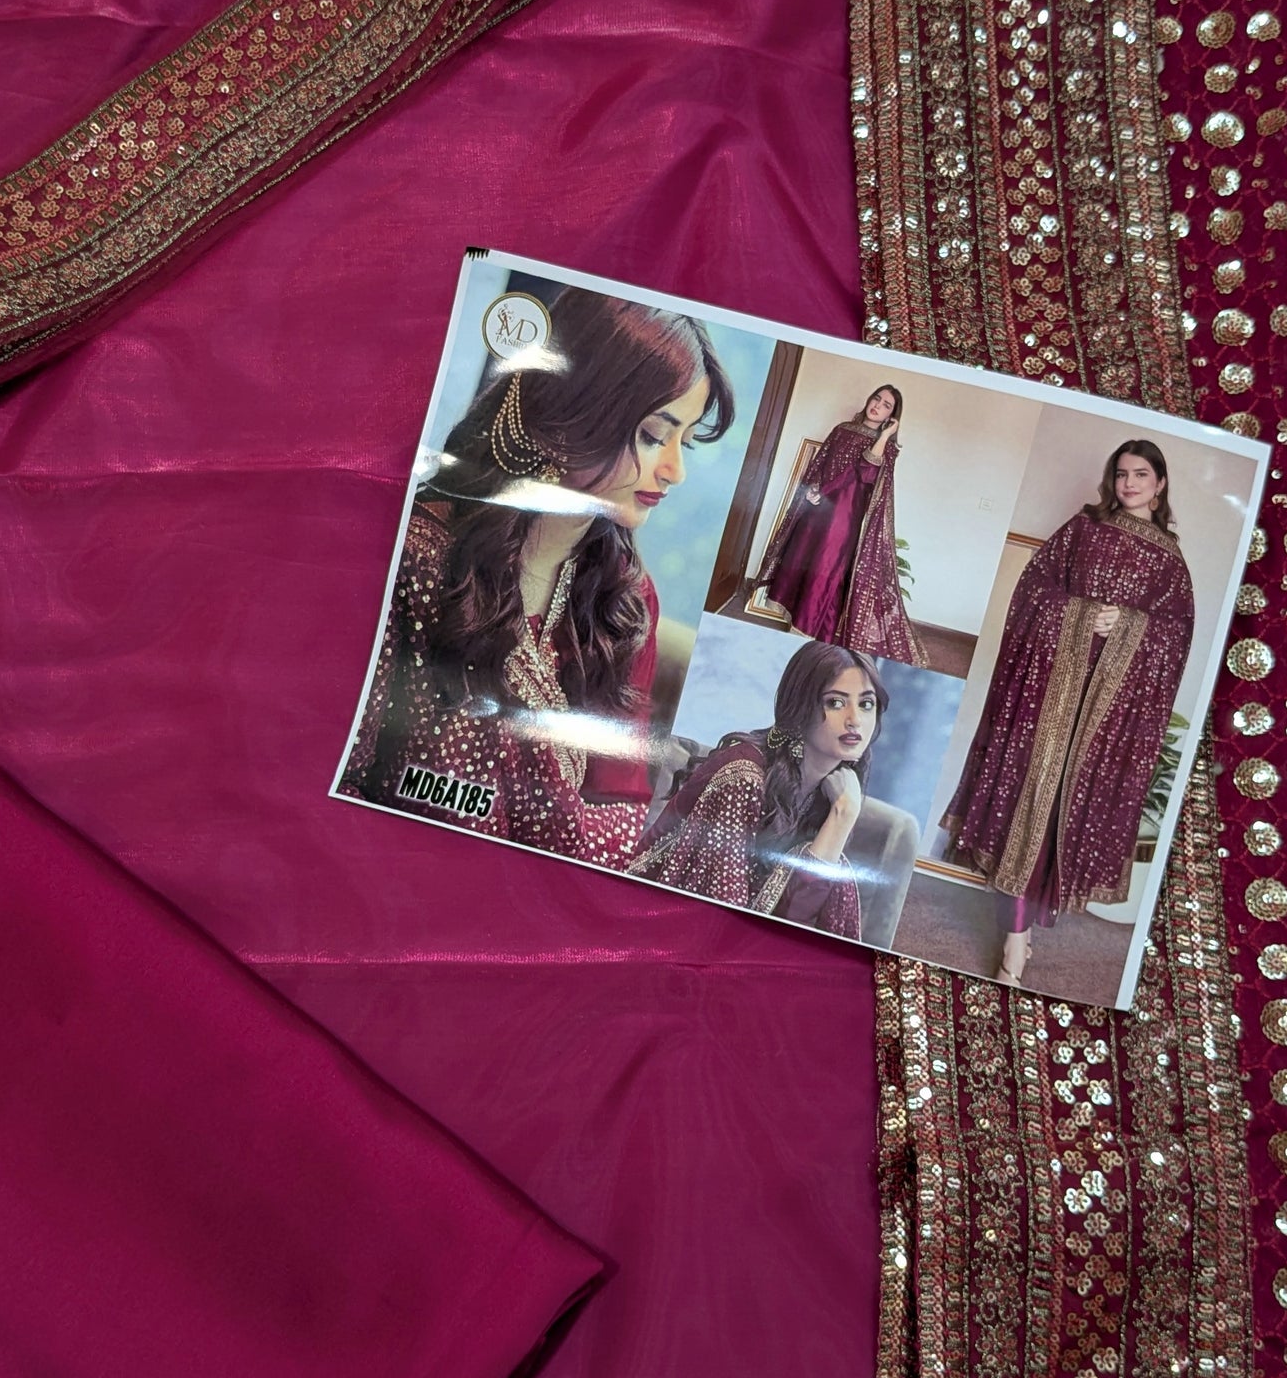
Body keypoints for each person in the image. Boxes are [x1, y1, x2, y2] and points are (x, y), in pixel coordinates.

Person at [340, 288, 735, 865]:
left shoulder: (626, 599)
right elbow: (343, 775)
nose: (675, 470)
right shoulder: (415, 559)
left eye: (686, 442)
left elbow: (620, 805)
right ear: (573, 413)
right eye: (653, 436)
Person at [941, 439, 1193, 987]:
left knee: (1062, 813)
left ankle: (1023, 929)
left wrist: (1127, 625)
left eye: (1141, 474)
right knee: (1026, 802)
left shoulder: (1170, 562)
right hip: (1049, 691)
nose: (1129, 483)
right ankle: (1015, 939)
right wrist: (1081, 615)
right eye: (1121, 473)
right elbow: (1033, 587)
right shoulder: (1084, 528)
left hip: (1106, 713)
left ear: (1159, 483)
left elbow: (1177, 638)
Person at [628, 640, 888, 940]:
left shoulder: (837, 791)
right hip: (653, 918)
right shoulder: (743, 775)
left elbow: (791, 923)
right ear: (801, 706)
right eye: (835, 703)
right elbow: (724, 915)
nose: (855, 720)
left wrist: (842, 816)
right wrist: (842, 817)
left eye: (866, 704)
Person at [751, 385, 924, 664]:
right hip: (817, 510)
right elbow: (821, 463)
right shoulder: (842, 429)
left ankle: (807, 635)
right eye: (877, 399)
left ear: (892, 416)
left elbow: (867, 473)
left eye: (887, 405)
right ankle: (797, 631)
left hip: (844, 518)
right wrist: (812, 488)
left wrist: (884, 435)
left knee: (825, 571)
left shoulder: (887, 448)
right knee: (801, 562)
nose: (878, 406)